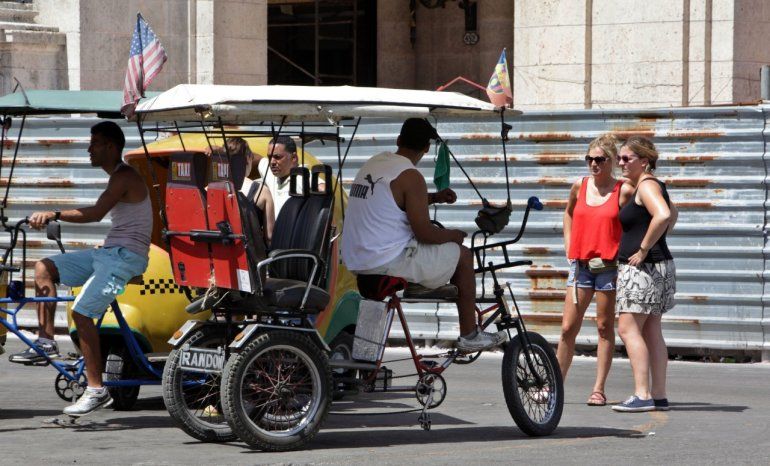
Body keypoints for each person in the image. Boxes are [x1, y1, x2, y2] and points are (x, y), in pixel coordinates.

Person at [9, 121, 152, 417]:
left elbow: (96, 213)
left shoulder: (124, 176)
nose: (88, 149)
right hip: (109, 254)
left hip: (126, 258)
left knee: (82, 313)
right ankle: (46, 341)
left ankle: (96, 389)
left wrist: (54, 213)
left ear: (111, 147)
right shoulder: (116, 176)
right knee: (44, 266)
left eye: (95, 143)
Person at [341, 118, 506, 353]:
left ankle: (421, 286)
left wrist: (434, 198)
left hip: (359, 261)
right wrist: (453, 235)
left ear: (399, 140)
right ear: (427, 148)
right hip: (387, 261)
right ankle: (470, 334)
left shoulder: (374, 163)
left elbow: (392, 200)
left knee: (426, 249)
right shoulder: (411, 175)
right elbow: (425, 233)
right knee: (463, 256)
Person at [556, 134, 633, 407]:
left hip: (609, 269)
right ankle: (556, 385)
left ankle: (598, 389)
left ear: (611, 161)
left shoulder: (623, 190)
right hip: (581, 266)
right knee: (567, 328)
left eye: (600, 159)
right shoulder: (580, 186)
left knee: (603, 327)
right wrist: (568, 243)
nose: (594, 164)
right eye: (589, 159)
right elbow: (568, 213)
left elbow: (642, 217)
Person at [612, 136, 678, 413]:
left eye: (627, 158)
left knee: (628, 329)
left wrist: (643, 248)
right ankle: (659, 395)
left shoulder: (647, 185)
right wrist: (655, 242)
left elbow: (663, 215)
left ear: (644, 161)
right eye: (620, 158)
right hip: (659, 265)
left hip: (643, 268)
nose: (621, 163)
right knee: (652, 330)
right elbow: (673, 214)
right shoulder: (652, 185)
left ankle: (642, 394)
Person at [223, 137, 275, 243]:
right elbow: (270, 235)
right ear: (248, 158)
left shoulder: (210, 188)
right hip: (250, 257)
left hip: (219, 254)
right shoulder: (263, 192)